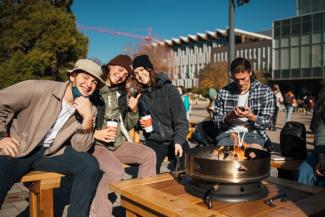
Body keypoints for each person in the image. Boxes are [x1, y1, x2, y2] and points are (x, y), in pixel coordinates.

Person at [0, 59, 104, 217]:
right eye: (85, 77)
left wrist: (87, 119)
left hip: (50, 153)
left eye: (94, 81)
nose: (89, 84)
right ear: (72, 77)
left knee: (89, 164)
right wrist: (2, 136)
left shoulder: (90, 110)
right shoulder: (39, 88)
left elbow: (80, 148)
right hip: (20, 147)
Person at [89, 54, 156, 217]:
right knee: (116, 170)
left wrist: (133, 112)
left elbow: (127, 125)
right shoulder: (94, 89)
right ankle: (99, 214)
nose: (121, 75)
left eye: (125, 74)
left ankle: (143, 208)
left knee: (149, 154)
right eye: (119, 70)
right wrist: (96, 133)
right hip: (95, 145)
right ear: (110, 66)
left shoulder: (121, 95)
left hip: (117, 144)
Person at [132, 54, 189, 173]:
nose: (140, 75)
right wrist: (137, 119)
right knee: (147, 174)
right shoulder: (140, 96)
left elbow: (181, 121)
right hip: (155, 140)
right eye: (136, 73)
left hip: (175, 138)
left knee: (187, 171)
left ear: (149, 69)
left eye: (142, 70)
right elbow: (137, 124)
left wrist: (178, 141)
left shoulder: (169, 90)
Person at [214, 57, 274, 150]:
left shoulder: (265, 91)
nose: (240, 83)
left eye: (243, 78)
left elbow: (268, 123)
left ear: (250, 72)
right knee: (224, 157)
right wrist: (230, 116)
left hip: (254, 134)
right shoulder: (224, 92)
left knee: (254, 155)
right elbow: (216, 123)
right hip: (229, 134)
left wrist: (251, 116)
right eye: (236, 79)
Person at [296, 88, 325, 187]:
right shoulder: (322, 99)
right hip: (322, 150)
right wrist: (322, 158)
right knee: (304, 172)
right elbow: (321, 132)